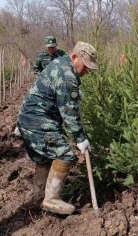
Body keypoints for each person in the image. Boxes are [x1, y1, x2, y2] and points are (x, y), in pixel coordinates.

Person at [17, 41, 98, 215]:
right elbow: (69, 114)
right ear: (75, 56)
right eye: (86, 65)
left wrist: (73, 93)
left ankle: (39, 198)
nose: (88, 70)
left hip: (29, 117)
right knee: (64, 154)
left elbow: (58, 90)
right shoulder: (68, 75)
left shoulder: (61, 63)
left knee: (44, 158)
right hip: (38, 120)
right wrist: (80, 138)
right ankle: (51, 198)